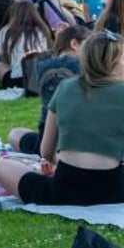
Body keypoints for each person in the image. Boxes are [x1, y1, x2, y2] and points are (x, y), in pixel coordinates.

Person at [0, 29, 124, 206]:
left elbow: (46, 151)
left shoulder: (64, 88)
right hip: (114, 193)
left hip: (65, 192)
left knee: (1, 166)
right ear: (109, 62)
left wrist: (57, 163)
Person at [13, 25, 90, 155]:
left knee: (15, 133)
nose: (91, 52)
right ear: (74, 43)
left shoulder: (41, 64)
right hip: (78, 136)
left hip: (46, 137)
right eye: (88, 47)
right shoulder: (81, 65)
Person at [0, 0, 52, 87]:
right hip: (39, 77)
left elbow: (4, 59)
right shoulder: (42, 30)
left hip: (18, 80)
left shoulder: (6, 31)